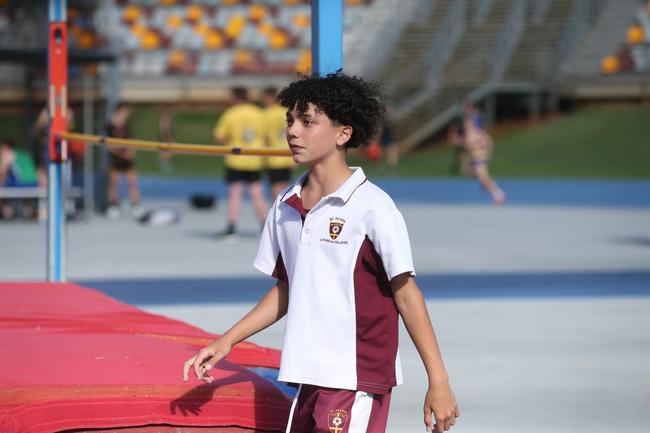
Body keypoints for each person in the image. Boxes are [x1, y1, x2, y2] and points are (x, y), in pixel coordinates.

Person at [183, 73, 459, 433]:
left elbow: (406, 295)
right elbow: (287, 289)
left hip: (355, 378)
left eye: (308, 122)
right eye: (290, 121)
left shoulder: (373, 208)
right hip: (306, 375)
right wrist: (226, 341)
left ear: (343, 133)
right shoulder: (284, 203)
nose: (293, 131)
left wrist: (438, 380)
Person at [213, 87, 267, 237]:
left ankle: (231, 226)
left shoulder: (231, 114)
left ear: (235, 98)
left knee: (235, 194)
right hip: (254, 159)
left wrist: (229, 141)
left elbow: (219, 136)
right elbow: (266, 136)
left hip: (236, 160)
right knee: (257, 194)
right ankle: (264, 224)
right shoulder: (259, 113)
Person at [458, 114, 506, 205]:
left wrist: (487, 150)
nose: (466, 125)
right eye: (465, 124)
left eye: (468, 123)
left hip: (480, 156)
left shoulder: (477, 132)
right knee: (470, 173)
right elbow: (468, 146)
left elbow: (488, 141)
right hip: (474, 158)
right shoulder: (468, 134)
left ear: (471, 124)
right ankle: (485, 184)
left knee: (483, 175)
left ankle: (499, 195)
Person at [106, 103, 143, 219]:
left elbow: (131, 141)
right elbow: (109, 145)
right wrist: (122, 152)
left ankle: (136, 205)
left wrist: (131, 152)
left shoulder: (127, 125)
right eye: (125, 111)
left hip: (127, 159)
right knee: (114, 182)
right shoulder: (110, 126)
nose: (127, 114)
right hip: (116, 158)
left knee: (132, 181)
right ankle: (113, 206)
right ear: (120, 111)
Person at [261, 86, 294, 199]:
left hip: (273, 156)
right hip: (287, 155)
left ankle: (278, 211)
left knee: (275, 187)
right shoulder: (285, 112)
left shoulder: (266, 114)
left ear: (269, 97)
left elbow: (265, 137)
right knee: (285, 186)